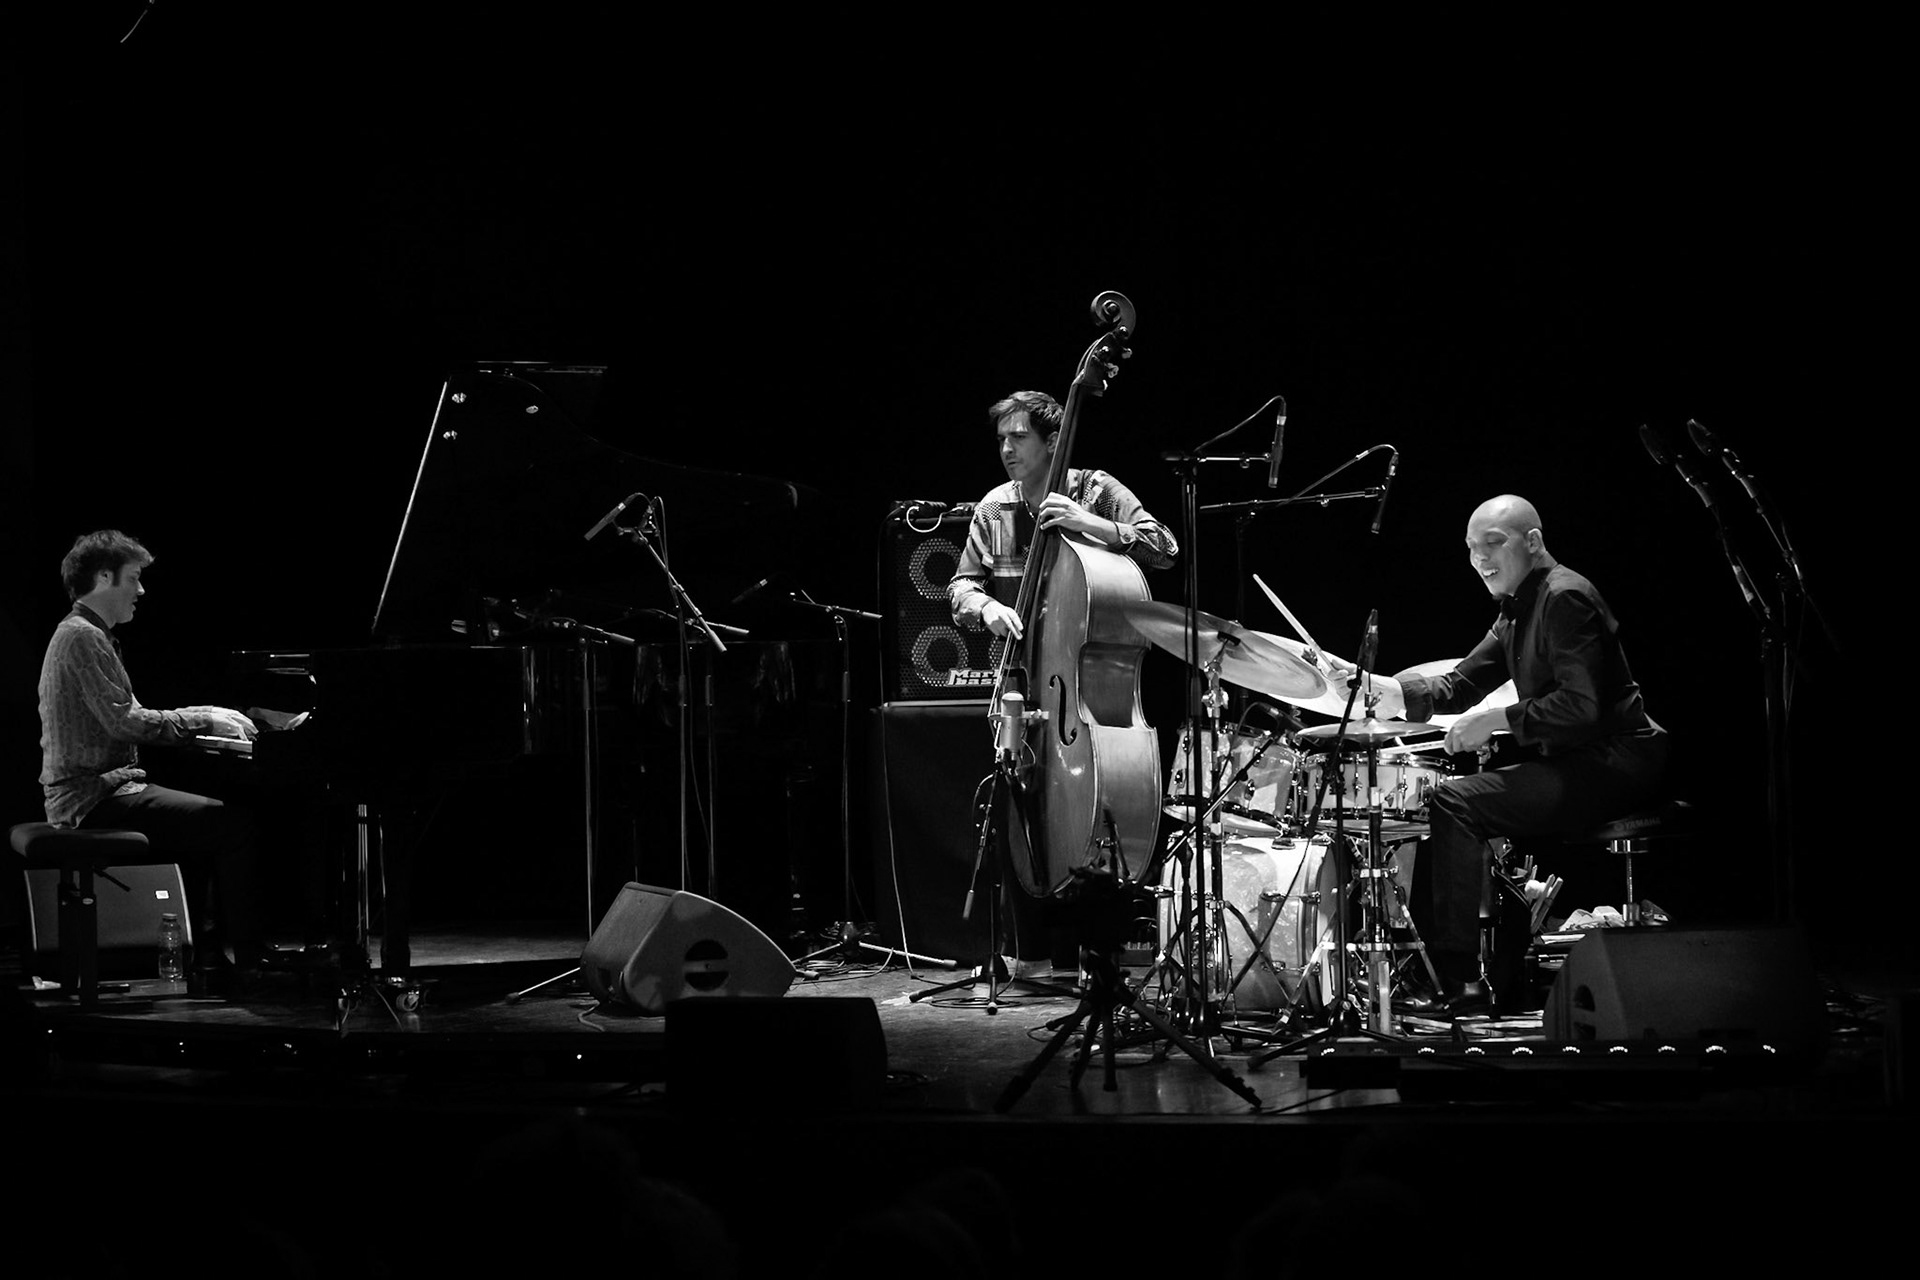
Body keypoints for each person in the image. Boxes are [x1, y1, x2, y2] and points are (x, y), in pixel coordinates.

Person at [1385, 495, 1668, 1011]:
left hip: (1617, 761)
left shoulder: (1564, 597)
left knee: (1456, 803)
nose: (1480, 558)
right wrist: (1384, 693)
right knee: (1447, 803)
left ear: (1532, 542)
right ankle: (1450, 970)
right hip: (1579, 760)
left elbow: (1580, 707)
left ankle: (1463, 982)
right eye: (1471, 548)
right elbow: (1461, 683)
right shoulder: (1517, 609)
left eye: (1494, 543)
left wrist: (1494, 721)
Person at [947, 390, 1178, 973]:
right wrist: (985, 607)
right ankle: (1030, 955)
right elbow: (958, 590)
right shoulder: (994, 510)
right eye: (1001, 439)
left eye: (1018, 438)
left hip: (1084, 698)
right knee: (1018, 806)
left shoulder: (1096, 489)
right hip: (1021, 686)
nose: (1006, 449)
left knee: (1096, 812)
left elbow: (1164, 548)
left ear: (1053, 442)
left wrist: (1088, 524)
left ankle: (1098, 945)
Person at [36, 529, 274, 975]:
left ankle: (202, 953)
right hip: (92, 798)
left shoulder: (83, 633)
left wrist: (206, 713)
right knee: (232, 825)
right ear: (104, 576)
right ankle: (249, 960)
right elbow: (127, 722)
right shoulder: (82, 637)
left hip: (101, 791)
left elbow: (130, 715)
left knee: (206, 820)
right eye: (134, 579)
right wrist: (207, 717)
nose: (141, 591)